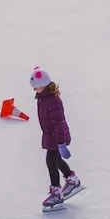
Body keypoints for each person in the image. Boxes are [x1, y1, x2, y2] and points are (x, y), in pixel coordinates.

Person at [31, 68, 83, 209]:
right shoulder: (43, 97)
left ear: (44, 84)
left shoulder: (52, 101)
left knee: (51, 161)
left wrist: (61, 144)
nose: (34, 89)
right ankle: (72, 180)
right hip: (51, 135)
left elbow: (59, 123)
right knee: (56, 160)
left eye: (36, 86)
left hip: (57, 137)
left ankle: (56, 193)